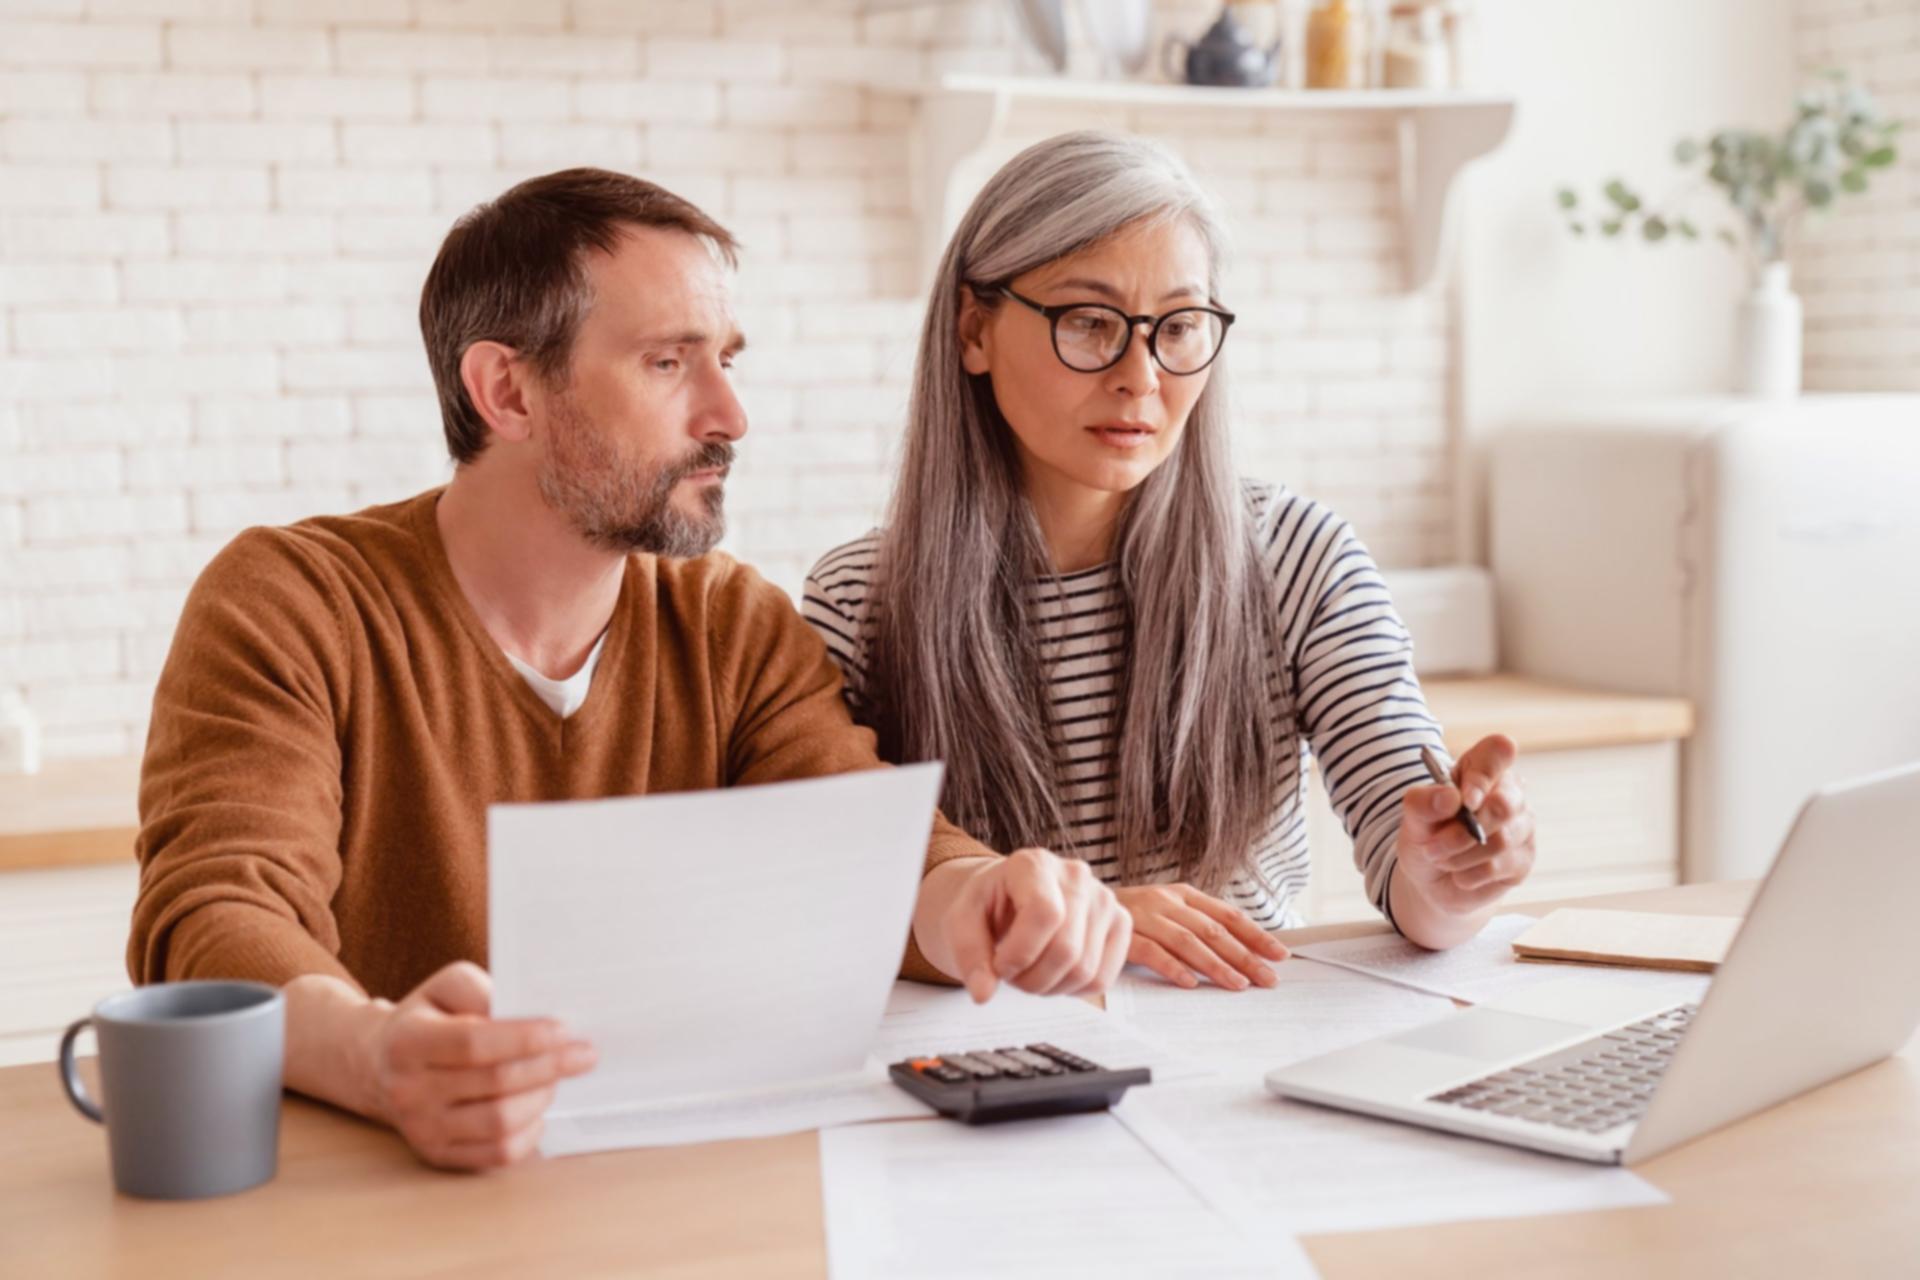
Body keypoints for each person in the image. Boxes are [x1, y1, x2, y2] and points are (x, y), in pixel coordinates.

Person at [128, 168, 1131, 1172]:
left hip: (662, 1186)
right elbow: (215, 917)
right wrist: (378, 1054)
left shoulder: (729, 620)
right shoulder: (295, 601)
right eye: (667, 362)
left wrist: (984, 898)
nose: (731, 413)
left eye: (728, 361)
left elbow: (863, 844)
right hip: (378, 1193)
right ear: (506, 390)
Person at [803, 132, 1537, 994]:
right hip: (989, 1062)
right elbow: (838, 897)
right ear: (974, 329)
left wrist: (1455, 868)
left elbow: (1414, 878)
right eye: (1088, 323)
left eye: (1179, 327)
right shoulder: (860, 601)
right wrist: (1098, 926)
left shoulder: (1295, 555)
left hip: (1238, 1045)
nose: (1140, 377)